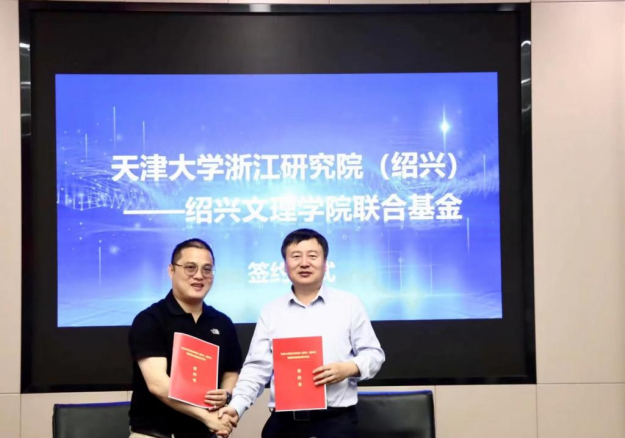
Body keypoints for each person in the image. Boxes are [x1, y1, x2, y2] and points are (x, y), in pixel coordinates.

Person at [220, 228, 385, 438]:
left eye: (312, 256)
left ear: (325, 264)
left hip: (336, 423)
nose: (304, 263)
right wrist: (236, 407)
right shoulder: (271, 311)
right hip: (284, 424)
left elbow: (374, 355)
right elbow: (256, 369)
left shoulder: (349, 304)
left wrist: (349, 368)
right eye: (296, 256)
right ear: (285, 265)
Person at [129, 238, 242, 438]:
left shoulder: (223, 323)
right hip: (155, 433)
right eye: (190, 268)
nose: (199, 276)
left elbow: (231, 372)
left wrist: (225, 396)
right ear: (171, 270)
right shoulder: (150, 319)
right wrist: (206, 417)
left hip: (205, 433)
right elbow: (158, 385)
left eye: (207, 269)